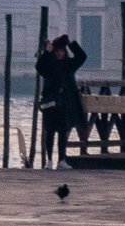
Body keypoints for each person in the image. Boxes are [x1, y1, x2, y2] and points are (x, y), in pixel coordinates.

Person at [35, 33, 88, 168]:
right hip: (50, 103)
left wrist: (70, 44)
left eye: (62, 52)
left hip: (65, 103)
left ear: (65, 52)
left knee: (63, 131)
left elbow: (82, 57)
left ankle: (62, 160)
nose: (59, 54)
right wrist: (47, 50)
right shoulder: (48, 66)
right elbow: (38, 66)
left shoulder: (69, 65)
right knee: (50, 131)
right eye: (57, 51)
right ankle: (49, 160)